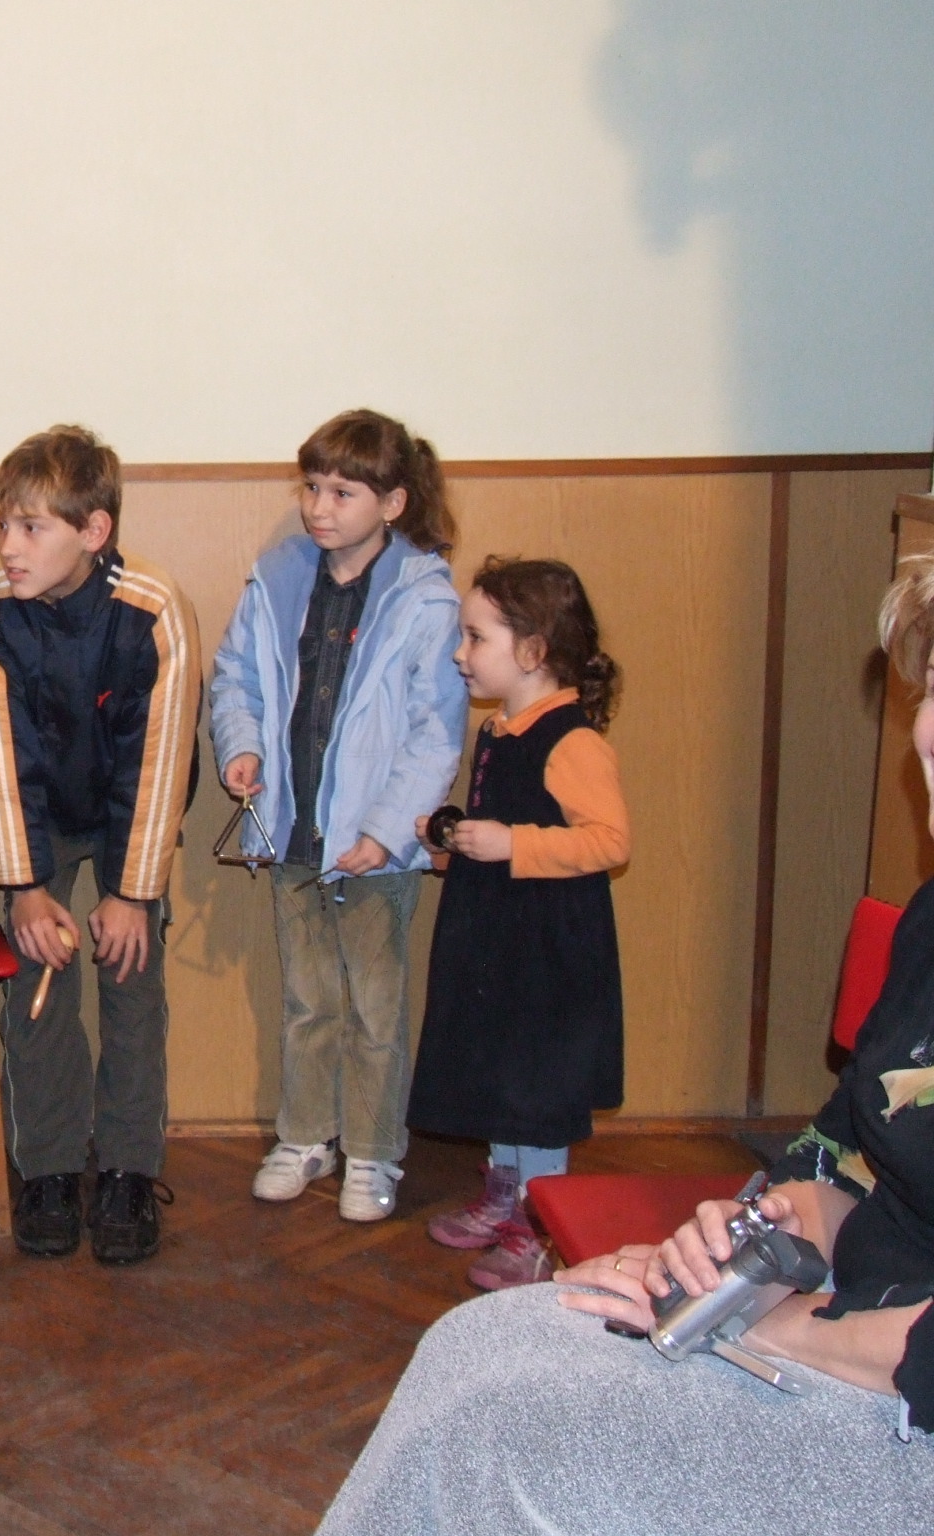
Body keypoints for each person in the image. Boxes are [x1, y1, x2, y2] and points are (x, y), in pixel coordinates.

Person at [312, 560, 934, 1536]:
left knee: (513, 1442)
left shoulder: (571, 743)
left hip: (891, 1401)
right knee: (480, 1346)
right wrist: (743, 1243)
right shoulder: (928, 923)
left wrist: (770, 1325)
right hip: (841, 1305)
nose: (926, 730)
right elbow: (845, 1147)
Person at [210, 409, 466, 1222]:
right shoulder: (279, 575)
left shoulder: (424, 597)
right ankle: (306, 1136)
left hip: (373, 849)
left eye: (342, 493)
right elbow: (237, 676)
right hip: (294, 833)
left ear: (391, 503)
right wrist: (242, 747)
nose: (319, 507)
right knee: (308, 1000)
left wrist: (384, 832)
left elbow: (435, 731)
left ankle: (374, 1149)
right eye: (312, 487)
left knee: (376, 1011)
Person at [0, 425, 201, 1265]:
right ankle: (50, 1168)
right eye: (4, 525)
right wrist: (26, 889)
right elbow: (3, 759)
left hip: (128, 812)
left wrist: (132, 894)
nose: (9, 546)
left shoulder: (153, 607)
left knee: (131, 974)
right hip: (40, 815)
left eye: (32, 528)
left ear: (94, 531)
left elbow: (159, 762)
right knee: (40, 976)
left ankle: (129, 1169)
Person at [409, 559, 630, 1289]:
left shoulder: (573, 743)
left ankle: (541, 1222)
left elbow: (610, 841)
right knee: (504, 1073)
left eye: (476, 638)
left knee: (538, 1085)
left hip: (549, 953)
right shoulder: (500, 731)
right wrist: (455, 845)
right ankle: (507, 1195)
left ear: (533, 651)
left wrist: (513, 844)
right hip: (499, 941)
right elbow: (499, 825)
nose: (460, 654)